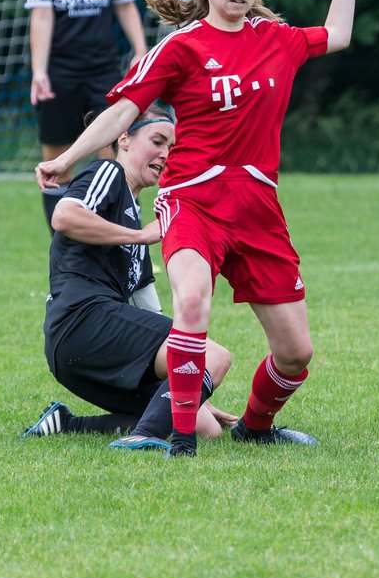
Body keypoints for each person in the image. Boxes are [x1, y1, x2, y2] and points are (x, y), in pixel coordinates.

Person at [36, 0, 356, 458]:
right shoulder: (180, 47)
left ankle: (256, 428)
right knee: (191, 303)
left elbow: (339, 34)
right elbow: (124, 109)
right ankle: (179, 437)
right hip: (191, 199)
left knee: (296, 352)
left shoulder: (277, 42)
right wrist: (68, 158)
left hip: (257, 209)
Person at [21, 102, 237, 451]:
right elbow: (64, 216)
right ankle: (143, 437)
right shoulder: (109, 173)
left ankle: (66, 423)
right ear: (124, 138)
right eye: (157, 140)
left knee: (204, 426)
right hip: (82, 320)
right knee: (215, 356)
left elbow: (151, 316)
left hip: (74, 354)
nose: (165, 154)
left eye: (170, 147)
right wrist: (141, 235)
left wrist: (189, 390)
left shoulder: (133, 220)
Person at [25, 0, 149, 229]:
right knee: (58, 159)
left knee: (115, 155)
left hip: (103, 70)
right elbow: (42, 15)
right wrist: (39, 71)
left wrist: (140, 50)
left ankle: (123, 243)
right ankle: (63, 249)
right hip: (60, 71)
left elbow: (125, 4)